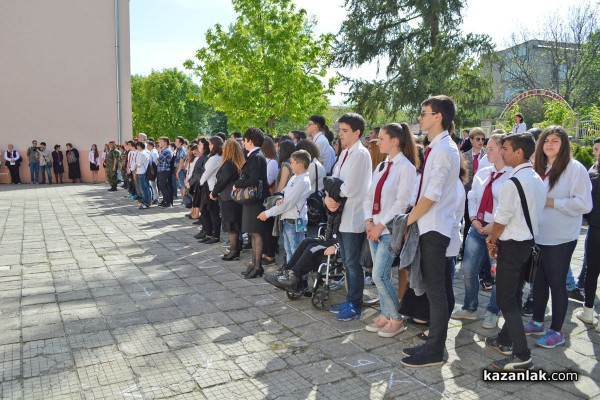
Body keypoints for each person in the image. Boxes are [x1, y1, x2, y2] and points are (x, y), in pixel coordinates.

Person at [400, 95, 460, 368]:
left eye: (424, 113)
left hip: (435, 228)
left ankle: (436, 349)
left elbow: (432, 195)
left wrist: (408, 221)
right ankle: (435, 343)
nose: (420, 117)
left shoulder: (445, 149)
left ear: (438, 116)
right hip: (432, 226)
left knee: (436, 291)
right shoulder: (438, 147)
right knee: (439, 290)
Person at [524, 126, 592, 348]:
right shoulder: (541, 167)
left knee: (556, 282)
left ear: (564, 144)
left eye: (555, 141)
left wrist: (553, 203)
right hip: (540, 235)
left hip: (561, 237)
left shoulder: (575, 169)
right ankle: (537, 321)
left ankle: (557, 330)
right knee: (540, 281)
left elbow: (584, 204)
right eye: (546, 141)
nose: (550, 145)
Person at [484, 132, 546, 371]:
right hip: (527, 245)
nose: (501, 152)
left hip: (512, 246)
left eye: (506, 148)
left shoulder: (513, 181)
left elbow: (501, 219)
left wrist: (493, 239)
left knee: (506, 299)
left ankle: (522, 355)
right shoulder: (535, 177)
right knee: (514, 295)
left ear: (519, 152)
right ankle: (504, 339)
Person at [451, 133, 511, 329]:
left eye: (491, 148)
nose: (486, 151)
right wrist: (474, 219)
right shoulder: (484, 173)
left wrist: (492, 226)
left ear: (503, 150)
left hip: (500, 230)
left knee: (499, 273)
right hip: (478, 227)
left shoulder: (512, 176)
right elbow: (473, 196)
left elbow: (507, 206)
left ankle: (493, 311)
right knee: (468, 268)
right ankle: (470, 307)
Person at [363, 123, 417, 338]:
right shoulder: (382, 166)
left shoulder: (406, 167)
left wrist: (380, 225)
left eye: (382, 138)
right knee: (379, 274)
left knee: (379, 275)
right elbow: (370, 195)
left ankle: (396, 318)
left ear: (395, 141)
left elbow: (402, 203)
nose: (377, 141)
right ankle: (386, 314)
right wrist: (368, 221)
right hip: (373, 228)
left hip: (388, 230)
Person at [325, 113, 372, 321]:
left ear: (357, 132)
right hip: (340, 213)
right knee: (346, 261)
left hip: (353, 214)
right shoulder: (345, 153)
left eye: (345, 131)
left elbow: (349, 188)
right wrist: (329, 197)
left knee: (353, 264)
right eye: (340, 130)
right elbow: (332, 180)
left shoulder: (361, 154)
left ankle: (356, 304)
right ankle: (350, 298)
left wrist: (334, 191)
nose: (340, 135)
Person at [258, 150, 312, 263]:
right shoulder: (295, 177)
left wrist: (267, 213)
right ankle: (289, 273)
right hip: (288, 219)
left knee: (296, 251)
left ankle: (297, 277)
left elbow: (288, 203)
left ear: (300, 165)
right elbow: (284, 192)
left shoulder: (302, 181)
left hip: (295, 220)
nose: (290, 165)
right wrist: (279, 197)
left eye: (292, 163)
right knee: (289, 250)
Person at [235, 128, 270, 279]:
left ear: (250, 141)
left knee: (256, 233)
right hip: (254, 200)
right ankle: (254, 264)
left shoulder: (256, 157)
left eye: (244, 140)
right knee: (253, 233)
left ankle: (257, 266)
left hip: (256, 200)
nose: (243, 143)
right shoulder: (255, 155)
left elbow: (254, 180)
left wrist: (237, 183)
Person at [576, 137, 600, 332]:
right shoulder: (593, 171)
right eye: (594, 149)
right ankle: (589, 310)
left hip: (596, 226)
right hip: (595, 227)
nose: (595, 153)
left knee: (592, 271)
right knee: (591, 271)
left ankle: (589, 310)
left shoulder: (593, 173)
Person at [212, 139, 245, 260]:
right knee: (235, 225)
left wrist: (214, 193)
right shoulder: (237, 162)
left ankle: (233, 251)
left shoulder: (229, 164)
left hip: (228, 197)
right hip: (234, 197)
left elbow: (222, 181)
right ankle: (236, 248)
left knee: (232, 226)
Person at [460, 128, 487, 262]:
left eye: (483, 139)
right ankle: (465, 251)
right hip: (467, 194)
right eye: (478, 139)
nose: (481, 142)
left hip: (483, 196)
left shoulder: (488, 155)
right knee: (468, 223)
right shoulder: (464, 156)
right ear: (471, 140)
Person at [199, 137, 224, 244]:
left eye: (210, 144)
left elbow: (207, 173)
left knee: (213, 213)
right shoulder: (214, 157)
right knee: (205, 211)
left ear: (214, 145)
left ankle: (215, 235)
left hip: (211, 188)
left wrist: (200, 181)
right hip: (208, 186)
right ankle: (209, 233)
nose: (208, 146)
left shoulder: (215, 158)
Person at [261, 136, 279, 265]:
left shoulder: (272, 162)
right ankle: (264, 251)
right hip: (262, 197)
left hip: (269, 198)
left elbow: (268, 181)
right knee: (263, 228)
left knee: (268, 229)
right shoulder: (264, 160)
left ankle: (270, 254)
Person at [157, 137, 174, 207]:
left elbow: (158, 160)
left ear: (165, 143)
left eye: (161, 142)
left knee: (163, 186)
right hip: (161, 170)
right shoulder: (162, 150)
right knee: (162, 186)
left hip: (164, 170)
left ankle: (168, 202)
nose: (159, 143)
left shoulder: (166, 151)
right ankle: (165, 200)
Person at [134, 141, 152, 209]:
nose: (137, 147)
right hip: (144, 172)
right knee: (146, 187)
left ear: (139, 146)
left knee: (144, 188)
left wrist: (136, 165)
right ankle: (147, 201)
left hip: (142, 172)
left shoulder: (142, 154)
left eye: (137, 146)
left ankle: (146, 202)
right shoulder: (146, 152)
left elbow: (138, 164)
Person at [175, 136, 188, 204]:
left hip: (181, 170)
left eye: (176, 141)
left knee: (182, 185)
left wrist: (178, 171)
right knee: (180, 185)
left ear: (180, 142)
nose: (175, 142)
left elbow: (181, 162)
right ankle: (184, 200)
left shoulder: (182, 150)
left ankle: (184, 200)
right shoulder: (178, 149)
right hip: (178, 169)